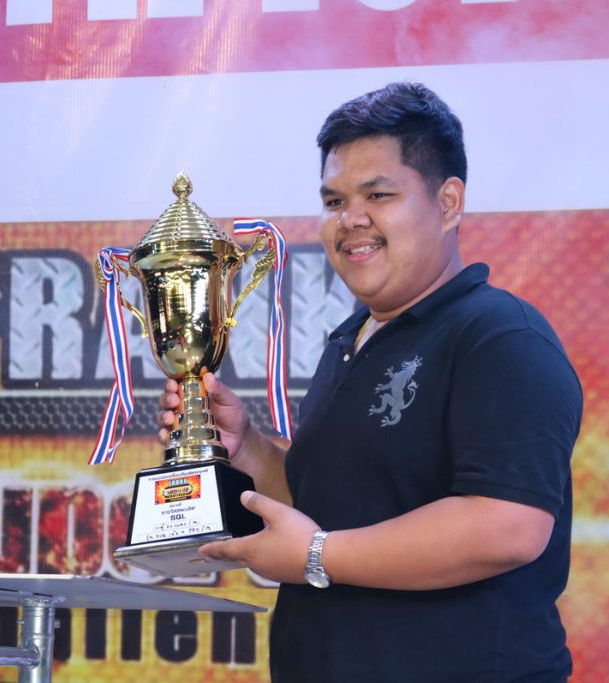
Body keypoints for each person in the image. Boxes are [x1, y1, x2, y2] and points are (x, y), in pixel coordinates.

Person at [158, 82, 583, 682]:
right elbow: (329, 505)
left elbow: (507, 527)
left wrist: (314, 556)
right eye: (334, 201)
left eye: (378, 195)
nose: (351, 219)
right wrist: (246, 447)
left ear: (449, 203)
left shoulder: (499, 336)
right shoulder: (350, 339)